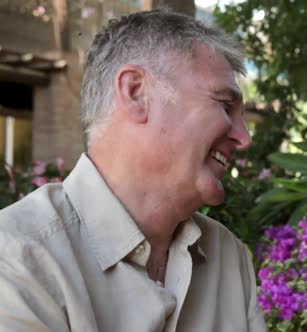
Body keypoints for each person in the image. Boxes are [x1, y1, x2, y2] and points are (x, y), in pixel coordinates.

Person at [0, 9, 266, 332]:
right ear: (136, 93)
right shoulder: (16, 257)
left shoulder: (228, 256)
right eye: (225, 105)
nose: (245, 138)